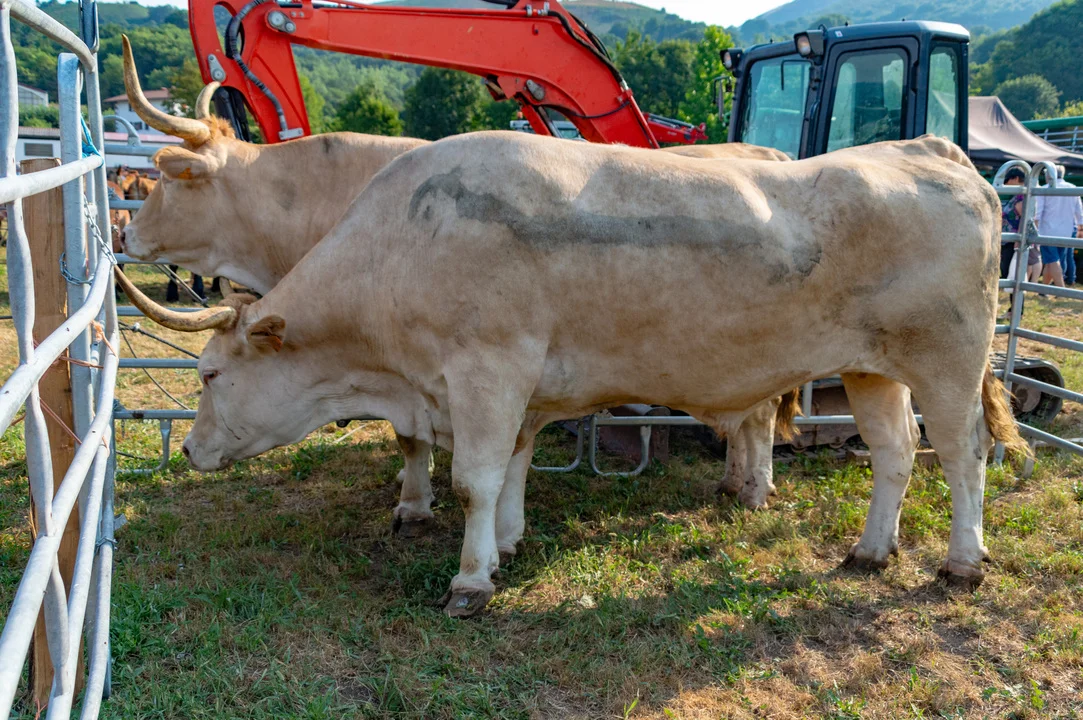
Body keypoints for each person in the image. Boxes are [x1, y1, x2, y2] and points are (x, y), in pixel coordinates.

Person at [1034, 165, 1083, 289]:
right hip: (1067, 230)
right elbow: (1079, 211)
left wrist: (1034, 228)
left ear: (1049, 175)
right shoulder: (1073, 188)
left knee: (1052, 261)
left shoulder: (1044, 189)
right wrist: (1080, 227)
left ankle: (1060, 289)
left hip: (1047, 231)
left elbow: (1038, 212)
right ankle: (1044, 290)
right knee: (1054, 261)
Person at [1001, 168, 1042, 282]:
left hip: (1013, 240)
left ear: (1016, 178)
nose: (1006, 184)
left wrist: (1018, 239)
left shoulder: (1022, 196)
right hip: (1010, 240)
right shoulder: (1020, 195)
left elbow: (1024, 219)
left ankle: (1019, 292)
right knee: (1012, 271)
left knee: (1012, 272)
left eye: (1007, 180)